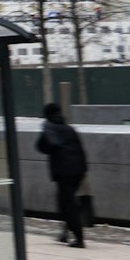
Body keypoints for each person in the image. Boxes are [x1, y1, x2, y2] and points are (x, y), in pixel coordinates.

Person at [36, 102, 88, 248]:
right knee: (65, 201)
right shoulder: (69, 128)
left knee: (67, 204)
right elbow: (80, 149)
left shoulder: (49, 128)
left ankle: (79, 238)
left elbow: (41, 147)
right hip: (78, 170)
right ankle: (65, 233)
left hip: (64, 172)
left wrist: (44, 132)